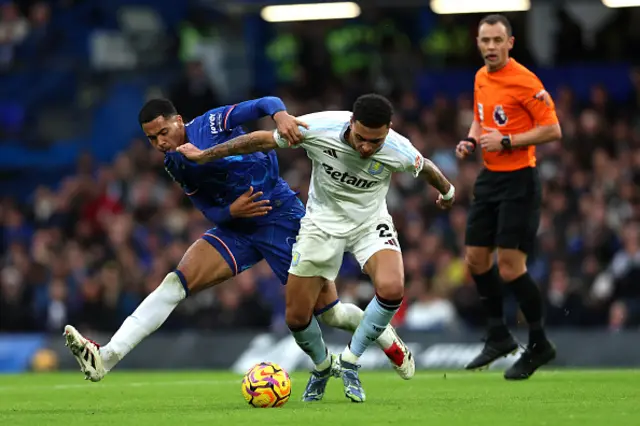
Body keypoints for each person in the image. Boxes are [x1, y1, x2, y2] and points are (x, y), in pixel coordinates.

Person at [63, 96, 415, 384]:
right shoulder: (175, 163)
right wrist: (231, 211)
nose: (161, 143)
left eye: (164, 132)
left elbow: (265, 102)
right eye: (152, 139)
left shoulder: (212, 124)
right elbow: (206, 208)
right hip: (237, 227)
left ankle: (389, 341)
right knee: (175, 283)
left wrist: (280, 116)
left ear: (179, 120)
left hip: (279, 215)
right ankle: (105, 358)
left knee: (331, 314)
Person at [177, 93, 455, 403]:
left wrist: (448, 191)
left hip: (369, 223)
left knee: (392, 288)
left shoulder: (398, 149)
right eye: (361, 138)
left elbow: (427, 167)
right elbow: (260, 141)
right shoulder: (318, 127)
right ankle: (323, 367)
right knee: (297, 317)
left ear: (387, 131)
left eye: (374, 142)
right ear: (351, 123)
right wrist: (205, 155)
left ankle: (350, 361)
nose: (366, 147)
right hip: (321, 223)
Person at [455, 14, 562, 380]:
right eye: (485, 40)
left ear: (510, 43)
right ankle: (499, 334)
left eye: (497, 40)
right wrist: (471, 139)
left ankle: (539, 343)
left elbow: (552, 129)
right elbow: (481, 118)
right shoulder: (481, 77)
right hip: (489, 178)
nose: (490, 47)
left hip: (520, 181)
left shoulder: (525, 80)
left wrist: (507, 141)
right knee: (475, 258)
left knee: (511, 268)